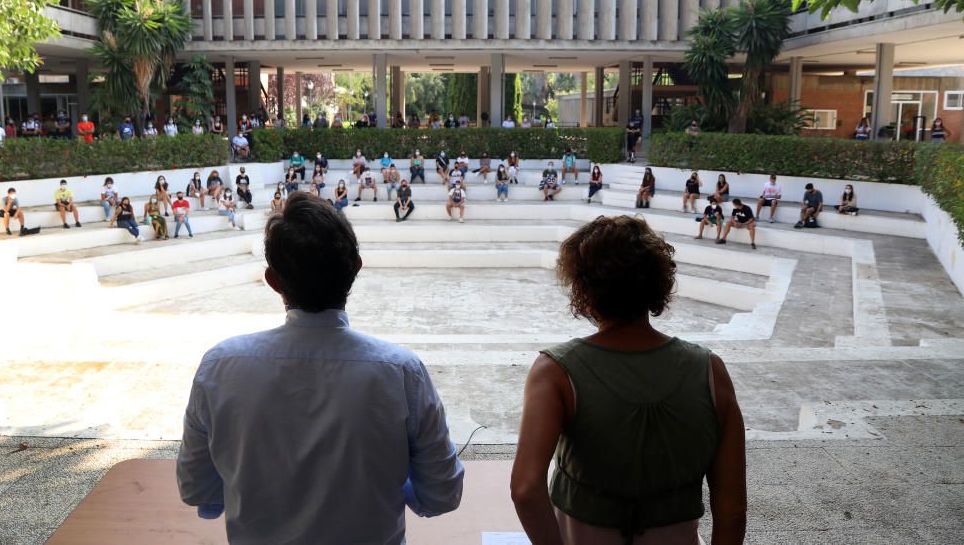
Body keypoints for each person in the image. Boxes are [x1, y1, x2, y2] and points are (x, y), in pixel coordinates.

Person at [177, 194, 463, 542]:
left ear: (273, 280)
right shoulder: (402, 372)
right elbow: (442, 494)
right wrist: (381, 482)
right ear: (356, 267)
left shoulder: (220, 366)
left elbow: (196, 490)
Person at [511, 215, 746, 545]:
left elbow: (524, 490)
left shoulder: (555, 372)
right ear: (657, 282)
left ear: (583, 290)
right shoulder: (710, 371)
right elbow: (732, 511)